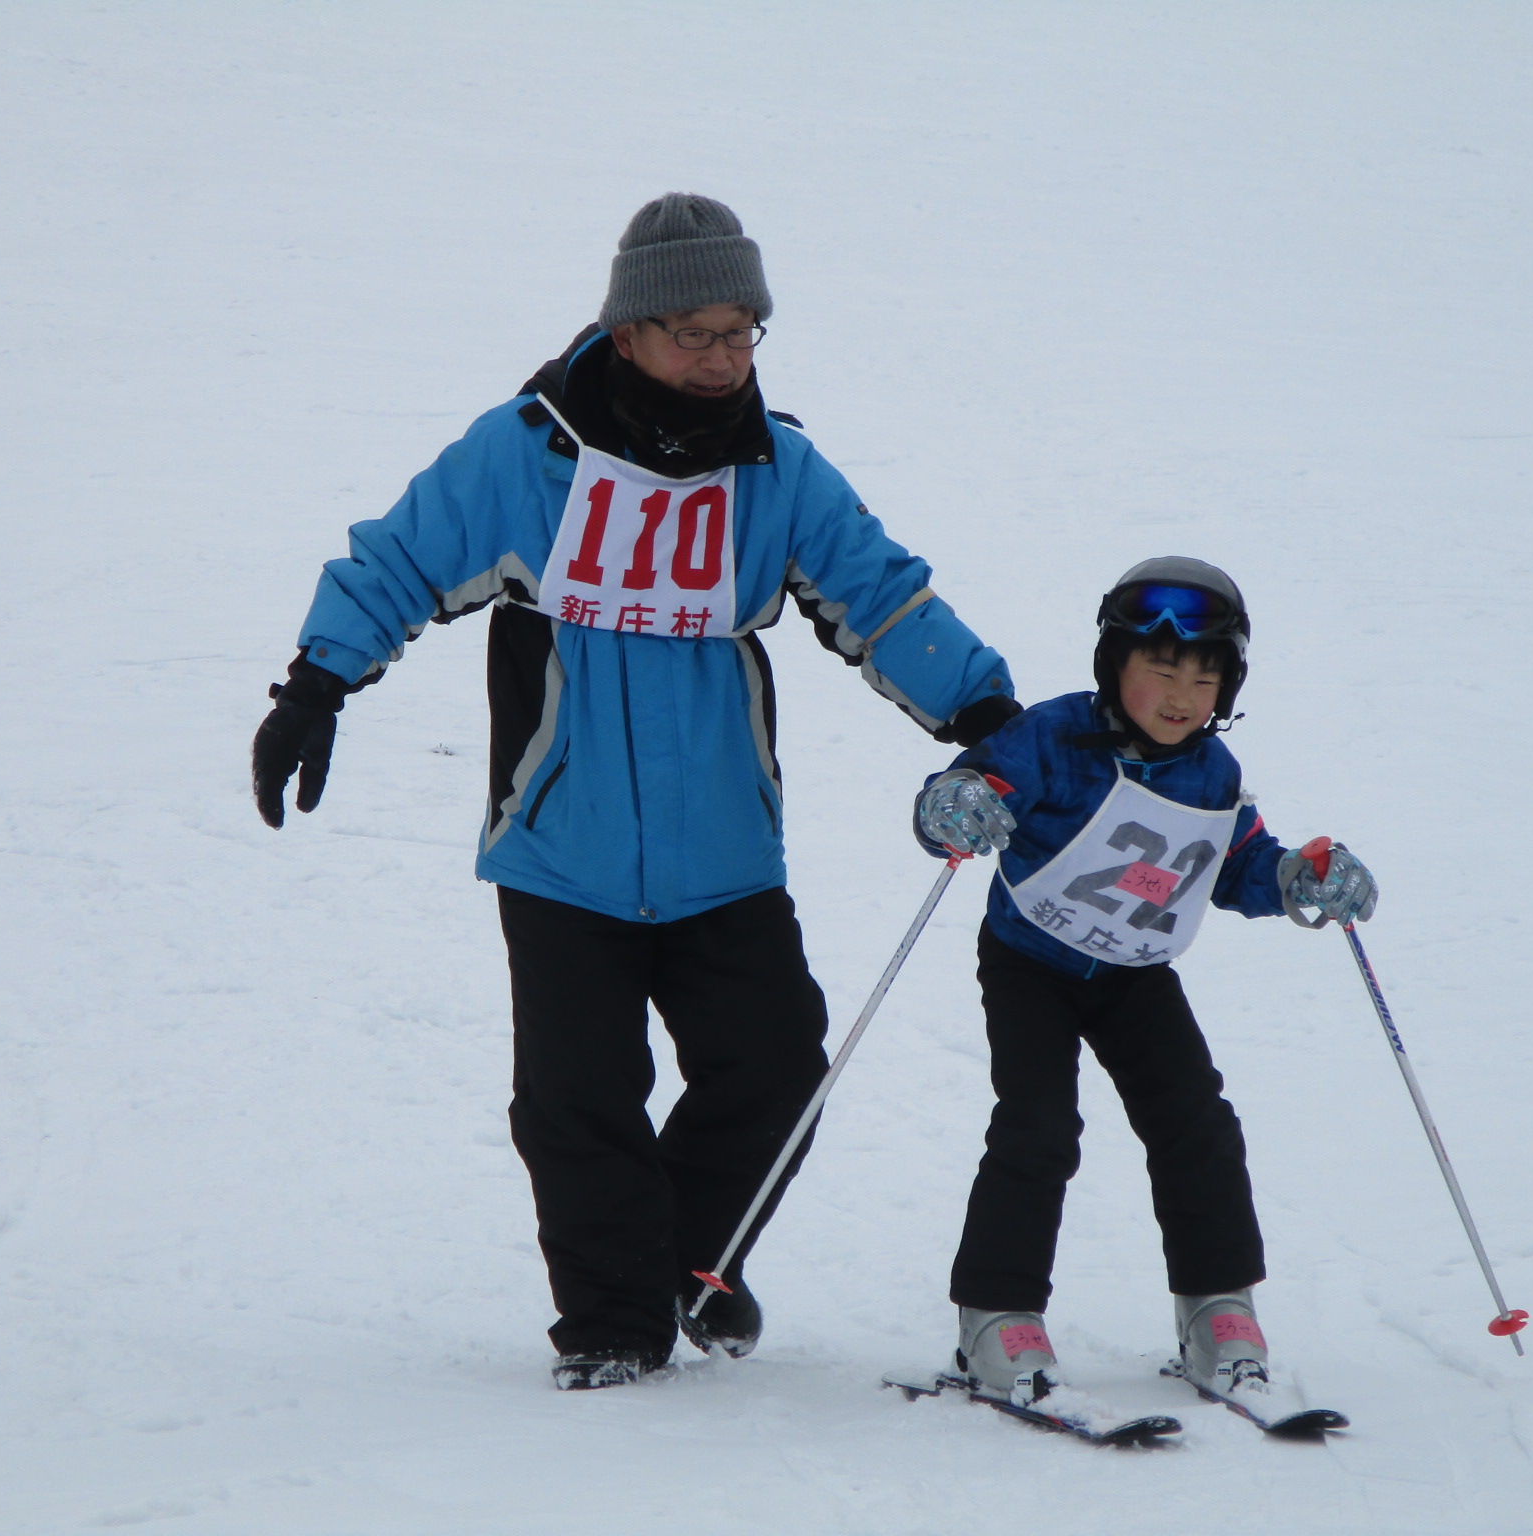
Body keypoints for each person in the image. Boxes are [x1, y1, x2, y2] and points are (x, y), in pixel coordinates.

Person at [251, 193, 1021, 1390]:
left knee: (772, 1070)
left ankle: (688, 1259)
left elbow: (881, 598)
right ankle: (615, 1319)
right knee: (576, 1100)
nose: (720, 360)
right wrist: (316, 684)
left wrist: (994, 726)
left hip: (723, 849)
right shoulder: (527, 452)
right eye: (692, 334)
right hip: (563, 845)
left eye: (739, 333)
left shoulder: (775, 467)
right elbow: (399, 554)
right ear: (627, 334)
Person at [910, 556, 1376, 1421]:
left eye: (1205, 676)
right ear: (1115, 665)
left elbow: (1236, 866)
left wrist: (1297, 880)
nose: (1181, 693)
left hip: (1132, 973)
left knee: (1194, 1118)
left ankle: (1215, 1307)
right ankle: (996, 1317)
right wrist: (957, 805)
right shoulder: (1053, 737)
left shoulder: (1213, 775)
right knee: (1039, 1124)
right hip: (1031, 961)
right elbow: (970, 785)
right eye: (1161, 667)